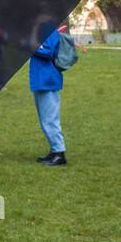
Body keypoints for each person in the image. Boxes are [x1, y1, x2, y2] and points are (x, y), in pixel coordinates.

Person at [30, 24, 68, 166]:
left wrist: (30, 46)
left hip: (47, 80)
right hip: (41, 80)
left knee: (50, 119)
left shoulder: (49, 29)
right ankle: (55, 151)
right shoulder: (44, 29)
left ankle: (59, 153)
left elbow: (47, 51)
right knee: (45, 119)